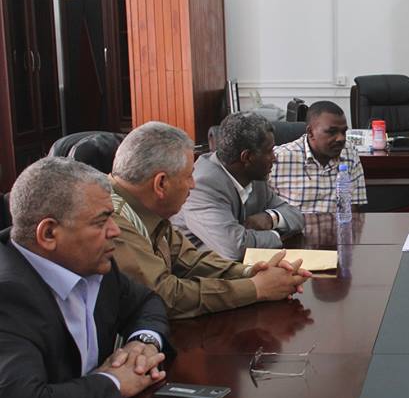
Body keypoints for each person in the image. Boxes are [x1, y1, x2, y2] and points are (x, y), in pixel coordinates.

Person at [0, 158, 171, 398]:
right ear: (49, 234)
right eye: (100, 221)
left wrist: (142, 343)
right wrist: (114, 382)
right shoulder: (8, 297)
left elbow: (147, 302)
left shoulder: (92, 264)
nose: (115, 231)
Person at [110, 122, 310, 319]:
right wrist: (255, 288)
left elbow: (190, 261)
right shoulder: (111, 218)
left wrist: (250, 272)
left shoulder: (149, 211)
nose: (193, 184)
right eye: (188, 176)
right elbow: (163, 295)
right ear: (161, 183)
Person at [174, 112, 305, 261]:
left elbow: (296, 216)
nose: (274, 158)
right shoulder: (202, 186)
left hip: (241, 269)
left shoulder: (254, 177)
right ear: (247, 157)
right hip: (201, 276)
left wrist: (270, 218)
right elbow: (236, 248)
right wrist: (277, 235)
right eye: (269, 151)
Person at [270, 101, 367, 213]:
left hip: (338, 228)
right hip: (296, 229)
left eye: (343, 131)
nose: (341, 138)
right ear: (310, 132)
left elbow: (355, 206)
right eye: (332, 132)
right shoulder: (277, 159)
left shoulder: (349, 151)